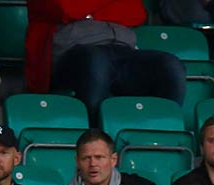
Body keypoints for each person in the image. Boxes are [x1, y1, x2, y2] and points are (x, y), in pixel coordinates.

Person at [25, 0, 187, 115]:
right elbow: (65, 7)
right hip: (73, 51)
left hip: (123, 49)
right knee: (97, 61)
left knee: (170, 66)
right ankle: (94, 141)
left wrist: (87, 10)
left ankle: (161, 138)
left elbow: (136, 14)